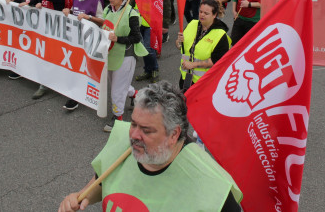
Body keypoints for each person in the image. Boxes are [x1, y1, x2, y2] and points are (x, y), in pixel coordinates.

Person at [58, 81, 243, 212]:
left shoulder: (213, 187)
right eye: (134, 124)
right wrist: (81, 196)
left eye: (147, 131)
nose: (134, 136)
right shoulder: (122, 140)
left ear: (174, 134)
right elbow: (103, 180)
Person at [101, 0, 148, 132]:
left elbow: (136, 37)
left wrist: (118, 39)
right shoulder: (108, 9)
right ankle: (136, 94)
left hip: (125, 56)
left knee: (116, 90)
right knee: (118, 85)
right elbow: (103, 26)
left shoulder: (131, 14)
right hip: (109, 54)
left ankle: (118, 117)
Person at [60, 0, 104, 109]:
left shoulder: (96, 0)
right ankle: (75, 96)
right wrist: (68, 11)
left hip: (90, 41)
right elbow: (74, 13)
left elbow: (102, 21)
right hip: (76, 40)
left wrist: (89, 18)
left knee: (89, 69)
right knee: (76, 66)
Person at [176, 0, 231, 91]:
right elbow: (181, 46)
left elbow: (216, 62)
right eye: (200, 11)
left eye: (206, 13)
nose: (202, 15)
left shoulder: (221, 36)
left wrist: (193, 65)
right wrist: (178, 42)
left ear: (214, 15)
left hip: (203, 83)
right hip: (185, 77)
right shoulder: (192, 24)